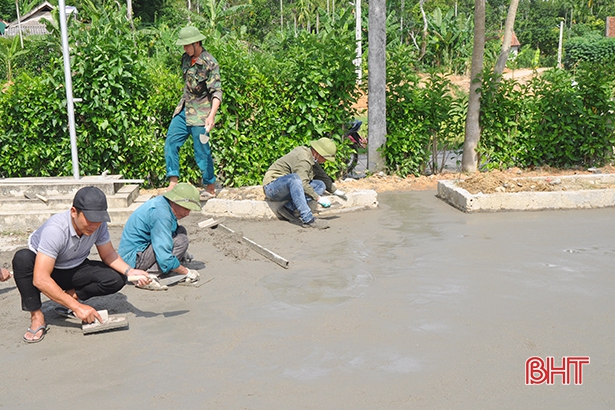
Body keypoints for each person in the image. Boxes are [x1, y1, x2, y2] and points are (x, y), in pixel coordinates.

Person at [11, 186, 152, 343]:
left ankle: (68, 299)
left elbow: (108, 254)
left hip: (75, 267)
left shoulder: (99, 225)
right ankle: (37, 316)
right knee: (22, 258)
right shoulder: (55, 229)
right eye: (90, 219)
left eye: (99, 220)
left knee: (117, 278)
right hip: (47, 270)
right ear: (73, 212)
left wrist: (129, 271)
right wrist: (78, 308)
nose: (94, 225)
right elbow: (40, 278)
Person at [165, 26, 222, 197]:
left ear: (197, 42)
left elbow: (216, 92)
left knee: (202, 150)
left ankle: (210, 186)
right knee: (171, 142)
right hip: (184, 109)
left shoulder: (210, 63)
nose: (185, 49)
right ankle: (172, 182)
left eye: (187, 45)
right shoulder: (185, 59)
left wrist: (211, 116)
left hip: (201, 114)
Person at [118, 183, 202, 286]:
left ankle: (167, 267)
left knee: (181, 231)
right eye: (185, 208)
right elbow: (164, 257)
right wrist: (187, 272)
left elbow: (170, 231)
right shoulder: (161, 215)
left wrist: (181, 254)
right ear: (174, 201)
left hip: (137, 252)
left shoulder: (163, 203)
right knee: (181, 241)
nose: (187, 214)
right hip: (133, 260)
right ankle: (148, 276)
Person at [263, 137, 346, 229]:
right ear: (318, 154)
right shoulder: (304, 159)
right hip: (272, 187)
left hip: (287, 187)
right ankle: (308, 219)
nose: (325, 161)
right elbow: (302, 183)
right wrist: (318, 198)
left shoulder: (311, 156)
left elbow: (322, 176)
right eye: (325, 158)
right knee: (295, 179)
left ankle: (288, 208)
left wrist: (335, 191)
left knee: (320, 185)